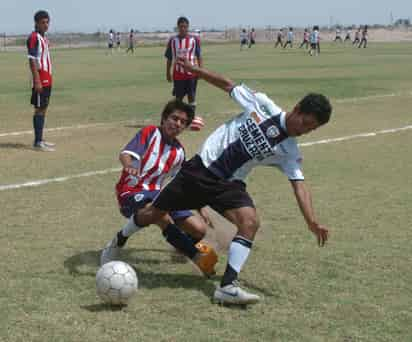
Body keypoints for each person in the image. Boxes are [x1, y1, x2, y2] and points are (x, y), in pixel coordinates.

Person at [132, 58, 332, 305]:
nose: (305, 130)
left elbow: (299, 184)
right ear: (298, 108)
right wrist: (197, 71)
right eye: (306, 122)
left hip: (230, 184)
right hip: (202, 169)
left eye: (312, 129)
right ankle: (119, 239)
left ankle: (227, 286)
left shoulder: (289, 150)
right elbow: (228, 85)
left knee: (250, 223)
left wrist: (311, 221)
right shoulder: (263, 106)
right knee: (155, 212)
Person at [100, 100, 218, 275]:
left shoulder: (179, 152)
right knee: (161, 215)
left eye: (182, 122)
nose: (177, 124)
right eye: (174, 118)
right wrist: (129, 166)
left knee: (199, 230)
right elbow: (126, 154)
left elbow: (184, 182)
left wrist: (200, 207)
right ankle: (119, 240)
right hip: (131, 192)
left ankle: (181, 247)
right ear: (164, 119)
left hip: (158, 196)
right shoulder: (150, 133)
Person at [27, 10, 55, 152]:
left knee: (43, 108)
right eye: (43, 22)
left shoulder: (43, 38)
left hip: (47, 78)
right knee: (39, 109)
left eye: (47, 22)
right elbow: (32, 60)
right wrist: (37, 80)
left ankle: (41, 139)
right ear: (36, 23)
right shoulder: (34, 37)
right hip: (40, 78)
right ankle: (37, 142)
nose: (46, 25)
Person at [165, 16, 202, 117]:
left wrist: (200, 71)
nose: (183, 29)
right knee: (178, 98)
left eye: (185, 27)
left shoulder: (194, 40)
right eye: (181, 27)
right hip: (178, 74)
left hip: (191, 74)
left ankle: (192, 118)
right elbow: (169, 58)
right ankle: (177, 117)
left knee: (192, 97)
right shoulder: (172, 41)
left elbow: (199, 56)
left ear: (188, 27)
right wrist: (168, 72)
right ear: (178, 27)